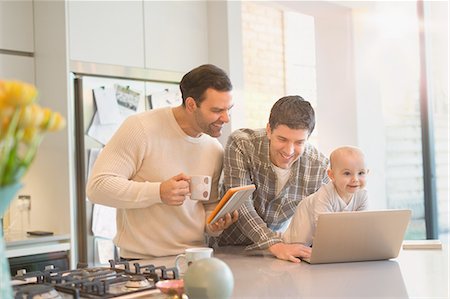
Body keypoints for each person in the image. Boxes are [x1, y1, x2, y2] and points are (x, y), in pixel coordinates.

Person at [86, 64, 238, 259]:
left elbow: (207, 206)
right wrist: (158, 192)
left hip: (194, 260)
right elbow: (97, 187)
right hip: (140, 264)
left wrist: (214, 225)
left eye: (229, 109)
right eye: (217, 110)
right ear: (191, 104)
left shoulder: (213, 148)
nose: (225, 118)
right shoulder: (140, 128)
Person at [216, 95, 329, 263]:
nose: (289, 151)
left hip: (275, 255)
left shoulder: (318, 165)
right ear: (269, 130)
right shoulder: (242, 144)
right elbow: (242, 204)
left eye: (299, 142)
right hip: (228, 249)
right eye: (282, 139)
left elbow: (323, 216)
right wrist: (275, 245)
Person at [283, 146, 369, 246]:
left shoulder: (363, 195)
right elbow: (324, 226)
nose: (355, 179)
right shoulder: (325, 194)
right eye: (347, 173)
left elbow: (361, 225)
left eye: (361, 173)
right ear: (331, 175)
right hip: (305, 223)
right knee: (299, 244)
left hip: (328, 237)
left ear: (367, 173)